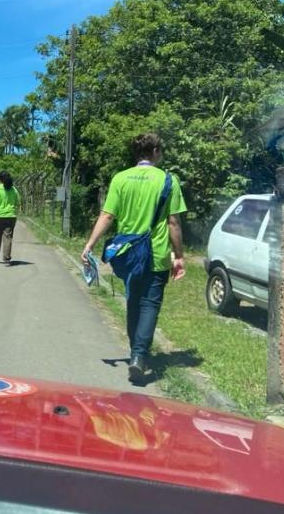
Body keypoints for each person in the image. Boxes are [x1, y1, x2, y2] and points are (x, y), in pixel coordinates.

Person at [80, 134, 187, 384]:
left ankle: (134, 352)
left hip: (127, 254)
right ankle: (139, 355)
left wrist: (90, 244)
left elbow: (107, 215)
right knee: (150, 303)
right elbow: (173, 222)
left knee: (133, 301)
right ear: (156, 152)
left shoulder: (120, 178)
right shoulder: (168, 180)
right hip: (156, 254)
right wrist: (179, 256)